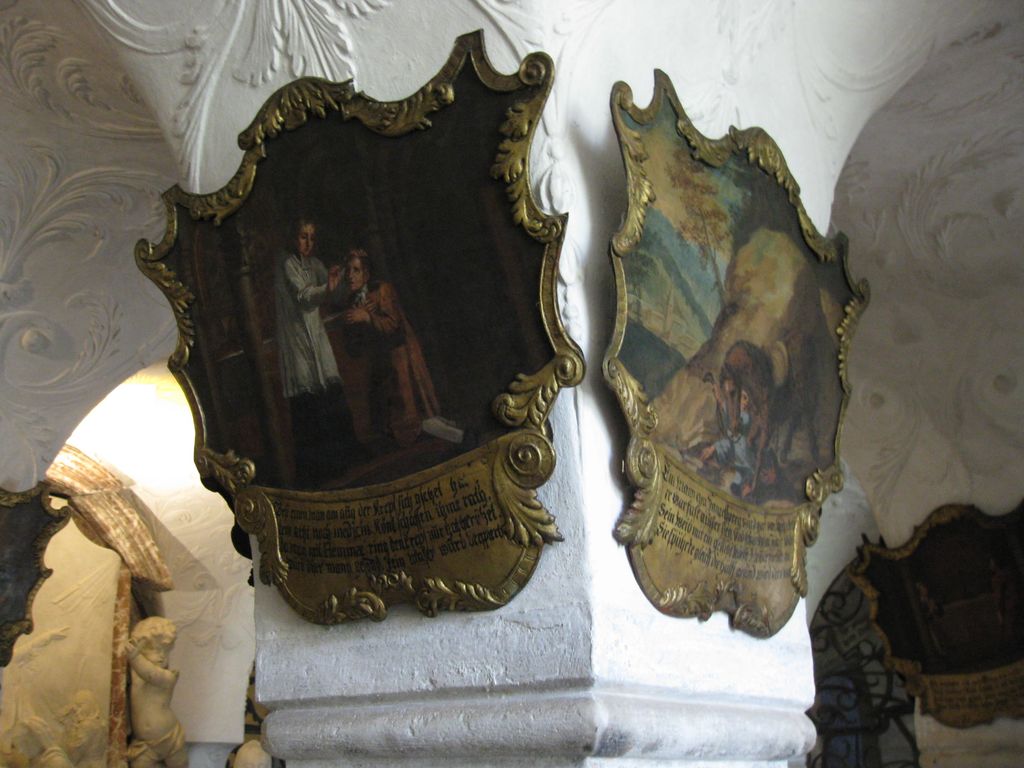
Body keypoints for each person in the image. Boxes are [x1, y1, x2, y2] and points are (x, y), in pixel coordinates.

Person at [274, 217, 359, 484]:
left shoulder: (314, 264)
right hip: (297, 341)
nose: (308, 243)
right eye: (303, 237)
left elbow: (334, 295)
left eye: (312, 237)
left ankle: (347, 456)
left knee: (332, 391)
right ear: (293, 237)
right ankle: (320, 470)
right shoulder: (286, 264)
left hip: (317, 339)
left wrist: (341, 279)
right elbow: (304, 297)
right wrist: (327, 287)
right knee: (309, 403)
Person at [341, 249, 440, 449]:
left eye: (356, 270)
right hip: (379, 357)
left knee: (407, 405)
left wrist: (368, 317)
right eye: (348, 270)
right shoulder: (352, 300)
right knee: (381, 405)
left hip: (399, 352)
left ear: (366, 274)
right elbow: (355, 345)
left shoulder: (382, 289)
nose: (350, 275)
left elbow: (393, 325)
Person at [126, 617, 187, 768]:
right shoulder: (136, 671)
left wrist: (134, 656)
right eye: (154, 649)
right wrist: (135, 650)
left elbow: (151, 674)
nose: (161, 656)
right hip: (145, 745)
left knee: (180, 765)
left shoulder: (168, 676)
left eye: (165, 651)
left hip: (171, 738)